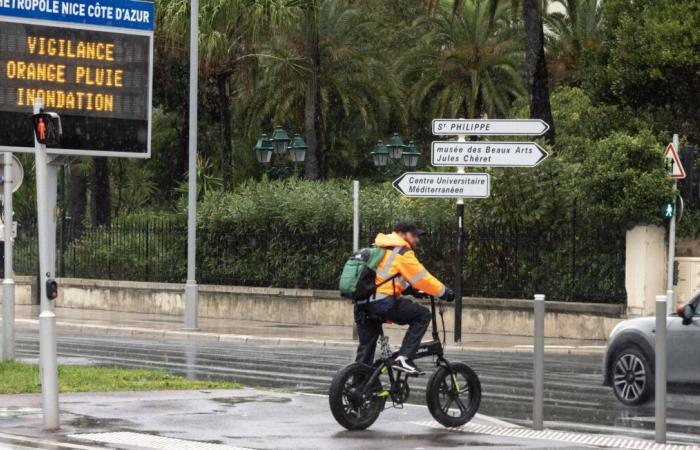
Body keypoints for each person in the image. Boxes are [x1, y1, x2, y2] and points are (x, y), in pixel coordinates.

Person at [354, 222, 454, 375]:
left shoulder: (378, 247)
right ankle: (404, 357)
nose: (416, 240)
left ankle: (361, 389)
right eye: (413, 235)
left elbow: (387, 278)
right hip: (382, 302)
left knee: (366, 350)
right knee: (422, 315)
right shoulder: (401, 251)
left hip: (362, 303)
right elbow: (422, 278)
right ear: (401, 233)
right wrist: (444, 292)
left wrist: (412, 290)